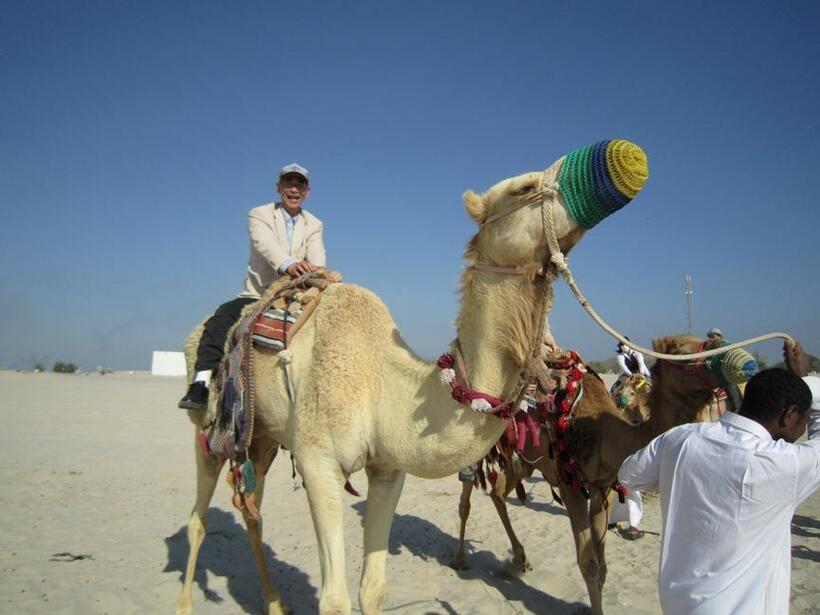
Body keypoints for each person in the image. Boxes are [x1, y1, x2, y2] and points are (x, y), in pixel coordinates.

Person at [618, 341, 820, 614]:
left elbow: (628, 475)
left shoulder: (680, 438)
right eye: (804, 418)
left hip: (677, 604)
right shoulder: (784, 464)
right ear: (790, 415)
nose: (805, 426)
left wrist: (677, 475)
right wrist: (805, 378)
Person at [178, 163, 326, 411]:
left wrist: (316, 271)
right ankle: (201, 383)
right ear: (278, 187)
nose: (293, 188)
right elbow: (265, 244)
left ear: (307, 192)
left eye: (299, 184)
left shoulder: (314, 224)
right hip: (259, 293)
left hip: (295, 293)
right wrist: (288, 265)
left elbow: (317, 256)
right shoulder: (260, 214)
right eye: (288, 183)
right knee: (221, 320)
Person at [707, 327, 743, 413]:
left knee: (730, 386)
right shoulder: (709, 348)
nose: (711, 339)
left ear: (719, 337)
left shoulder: (727, 346)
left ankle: (737, 409)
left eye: (713, 336)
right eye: (710, 337)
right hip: (713, 375)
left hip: (726, 374)